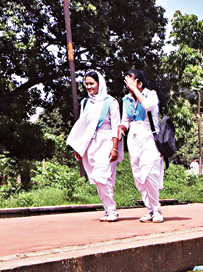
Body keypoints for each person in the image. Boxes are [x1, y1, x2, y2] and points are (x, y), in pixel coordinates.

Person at [66, 71, 120, 221]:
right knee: (97, 178)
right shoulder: (86, 102)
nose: (89, 87)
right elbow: (83, 125)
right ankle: (108, 210)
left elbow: (116, 127)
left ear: (99, 84)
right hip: (91, 143)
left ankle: (112, 211)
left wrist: (114, 148)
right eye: (87, 84)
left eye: (92, 83)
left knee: (102, 175)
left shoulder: (111, 102)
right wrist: (79, 147)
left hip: (106, 140)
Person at [118, 67, 165, 222]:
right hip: (134, 138)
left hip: (149, 137)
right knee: (138, 176)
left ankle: (157, 209)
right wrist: (121, 128)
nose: (128, 86)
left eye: (130, 82)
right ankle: (149, 209)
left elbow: (148, 106)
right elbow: (126, 120)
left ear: (139, 82)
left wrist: (136, 91)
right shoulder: (126, 100)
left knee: (149, 172)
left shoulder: (151, 94)